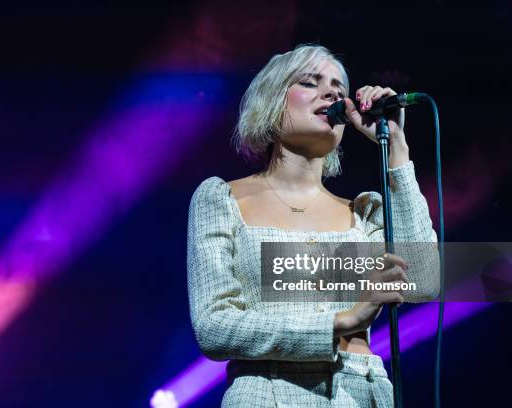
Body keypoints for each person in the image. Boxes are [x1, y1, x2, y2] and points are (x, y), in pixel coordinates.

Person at [186, 44, 439, 407]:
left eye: (339, 87)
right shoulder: (222, 200)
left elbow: (425, 280)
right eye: (310, 81)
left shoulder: (364, 211)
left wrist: (396, 149)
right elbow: (214, 327)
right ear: (272, 101)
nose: (333, 92)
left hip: (362, 391)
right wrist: (340, 321)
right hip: (268, 390)